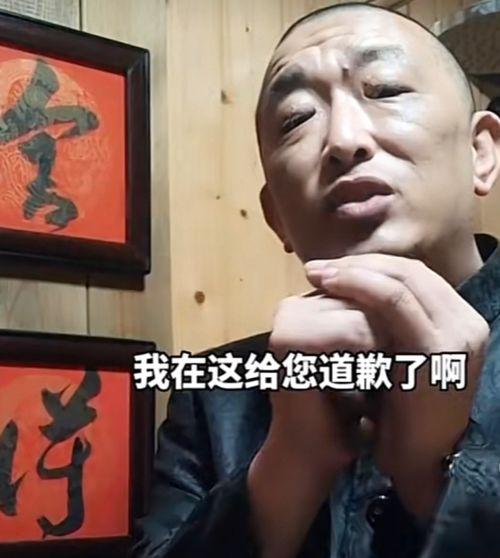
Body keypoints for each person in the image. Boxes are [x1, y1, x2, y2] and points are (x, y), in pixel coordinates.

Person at [132, 3, 500, 557]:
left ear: (481, 153)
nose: (344, 140)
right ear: (276, 217)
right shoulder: (213, 394)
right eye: (296, 119)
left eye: (385, 90)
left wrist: (440, 473)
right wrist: (286, 468)